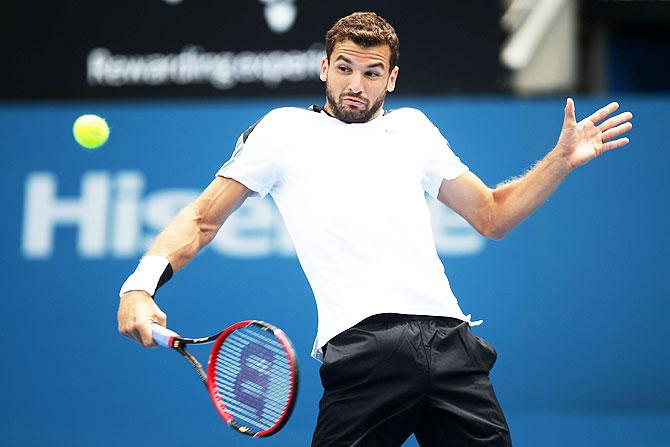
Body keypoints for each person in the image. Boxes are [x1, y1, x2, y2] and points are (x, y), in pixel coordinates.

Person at [117, 11, 633, 447]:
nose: (355, 84)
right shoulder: (283, 131)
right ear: (324, 68)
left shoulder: (414, 129)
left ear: (391, 79)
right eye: (344, 68)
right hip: (366, 349)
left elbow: (492, 215)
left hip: (453, 345)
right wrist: (140, 286)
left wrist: (559, 162)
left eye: (371, 72)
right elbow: (202, 218)